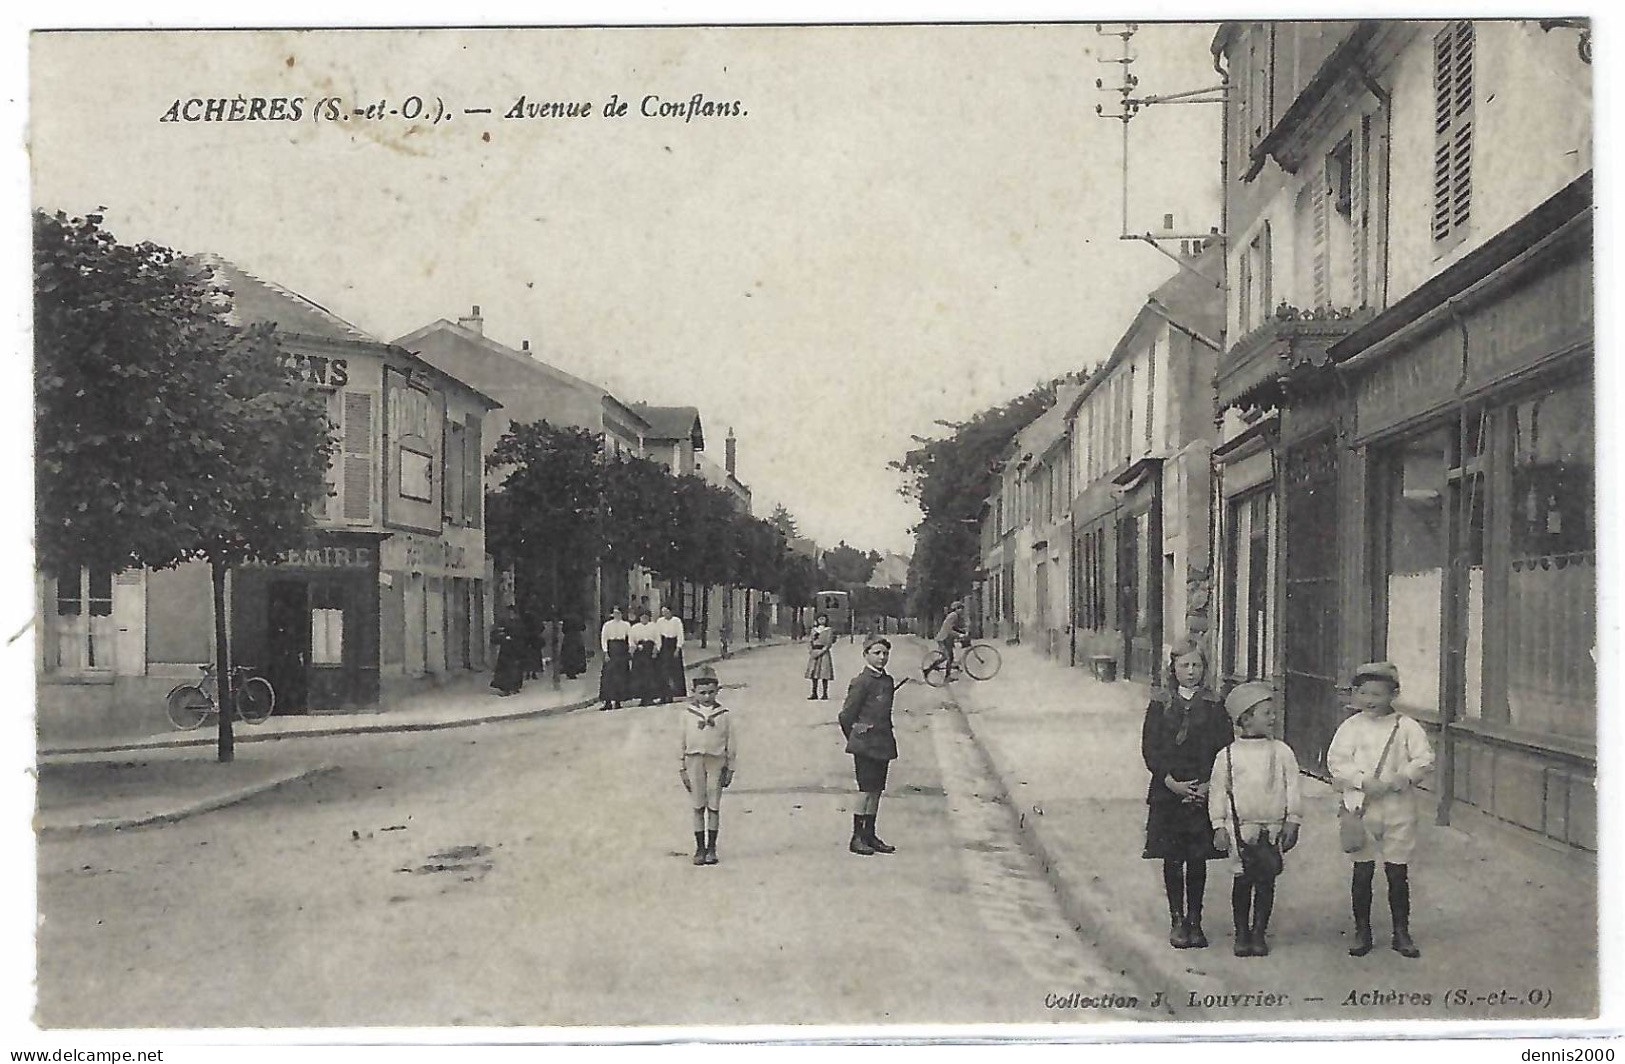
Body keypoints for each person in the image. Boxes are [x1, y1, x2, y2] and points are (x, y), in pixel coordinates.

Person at [1326, 661, 1435, 959]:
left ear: (1394, 694)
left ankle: (1401, 932)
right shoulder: (1351, 727)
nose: (1370, 700)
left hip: (1398, 807)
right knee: (1362, 870)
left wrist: (1405, 776)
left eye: (1377, 693)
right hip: (1362, 806)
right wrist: (1361, 780)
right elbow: (1336, 761)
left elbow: (1424, 758)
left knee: (1397, 871)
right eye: (1363, 693)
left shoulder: (1406, 727)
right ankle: (1362, 930)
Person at [1140, 638, 1231, 949]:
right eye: (1184, 665)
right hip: (1168, 792)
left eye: (1197, 665)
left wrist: (1207, 784)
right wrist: (1170, 782)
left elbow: (1224, 749)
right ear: (1173, 668)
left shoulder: (1215, 705)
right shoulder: (1160, 703)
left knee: (1197, 859)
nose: (1191, 672)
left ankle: (1195, 919)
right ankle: (1177, 918)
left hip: (1203, 791)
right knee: (1172, 856)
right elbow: (1150, 749)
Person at [1209, 682, 1302, 958]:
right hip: (1240, 828)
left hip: (1271, 827)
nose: (1273, 718)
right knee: (1242, 879)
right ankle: (1242, 934)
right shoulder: (1227, 755)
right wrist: (1218, 825)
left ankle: (1259, 932)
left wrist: (1293, 819)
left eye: (1273, 713)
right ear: (1246, 719)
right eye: (1267, 713)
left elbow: (1293, 787)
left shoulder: (1282, 752)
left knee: (1266, 879)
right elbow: (1217, 792)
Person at [838, 635, 900, 856]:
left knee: (877, 791)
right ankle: (857, 836)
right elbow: (846, 716)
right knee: (865, 791)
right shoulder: (861, 682)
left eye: (885, 653)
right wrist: (856, 737)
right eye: (877, 653)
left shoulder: (887, 681)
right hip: (865, 745)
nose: (882, 657)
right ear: (865, 655)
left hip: (883, 742)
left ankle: (870, 834)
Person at [679, 665, 736, 866]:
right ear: (693, 691)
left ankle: (712, 847)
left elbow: (731, 743)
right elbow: (681, 741)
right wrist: (681, 768)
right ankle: (699, 847)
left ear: (717, 690)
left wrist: (730, 768)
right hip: (694, 761)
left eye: (711, 692)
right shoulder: (688, 714)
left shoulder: (724, 714)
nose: (706, 697)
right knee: (697, 805)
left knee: (713, 805)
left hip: (716, 761)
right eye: (702, 693)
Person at [925, 600, 968, 681]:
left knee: (949, 657)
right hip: (944, 638)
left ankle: (929, 671)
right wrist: (959, 634)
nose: (962, 611)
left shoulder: (954, 616)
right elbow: (949, 629)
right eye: (960, 609)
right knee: (947, 657)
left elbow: (953, 627)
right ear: (956, 609)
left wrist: (962, 631)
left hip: (947, 639)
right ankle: (939, 674)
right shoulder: (953, 615)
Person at [598, 607, 632, 711]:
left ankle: (618, 700)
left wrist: (630, 649)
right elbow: (604, 639)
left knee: (620, 675)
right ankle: (607, 701)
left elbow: (629, 638)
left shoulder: (626, 625)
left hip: (621, 649)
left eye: (619, 613)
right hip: (611, 649)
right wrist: (605, 652)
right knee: (608, 676)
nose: (617, 615)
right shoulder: (607, 625)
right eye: (615, 613)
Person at [654, 605, 687, 704]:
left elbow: (680, 635)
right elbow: (657, 635)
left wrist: (678, 648)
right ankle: (663, 695)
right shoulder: (660, 621)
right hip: (663, 645)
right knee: (663, 672)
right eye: (663, 612)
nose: (665, 614)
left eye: (667, 611)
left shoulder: (676, 621)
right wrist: (658, 648)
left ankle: (673, 694)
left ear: (671, 612)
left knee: (674, 671)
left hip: (673, 645)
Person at [489, 613, 526, 697]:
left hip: (513, 650)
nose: (511, 615)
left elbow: (521, 636)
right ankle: (508, 688)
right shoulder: (507, 623)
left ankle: (511, 687)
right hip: (507, 650)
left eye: (513, 613)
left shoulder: (518, 624)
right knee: (507, 669)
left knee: (512, 669)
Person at [629, 608, 660, 706]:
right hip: (639, 652)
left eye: (646, 617)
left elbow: (658, 640)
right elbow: (631, 640)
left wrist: (655, 650)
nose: (644, 619)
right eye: (642, 617)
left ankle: (650, 697)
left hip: (649, 652)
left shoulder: (654, 627)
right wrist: (634, 648)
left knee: (650, 675)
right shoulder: (635, 627)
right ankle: (642, 697)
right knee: (640, 676)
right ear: (640, 618)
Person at [804, 613, 835, 700]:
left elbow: (829, 642)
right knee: (814, 673)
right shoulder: (814, 630)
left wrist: (823, 650)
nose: (821, 621)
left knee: (824, 673)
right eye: (820, 619)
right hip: (814, 652)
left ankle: (825, 693)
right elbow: (810, 641)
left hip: (824, 653)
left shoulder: (828, 630)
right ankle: (814, 693)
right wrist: (811, 650)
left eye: (823, 619)